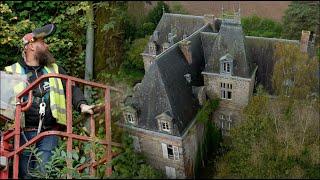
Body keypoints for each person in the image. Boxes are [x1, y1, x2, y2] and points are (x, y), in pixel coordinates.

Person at [3, 24, 94, 178]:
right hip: (23, 132)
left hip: (49, 131)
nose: (47, 45)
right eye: (43, 42)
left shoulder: (54, 69)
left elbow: (71, 88)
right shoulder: (11, 72)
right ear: (31, 46)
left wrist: (82, 105)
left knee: (43, 170)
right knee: (25, 173)